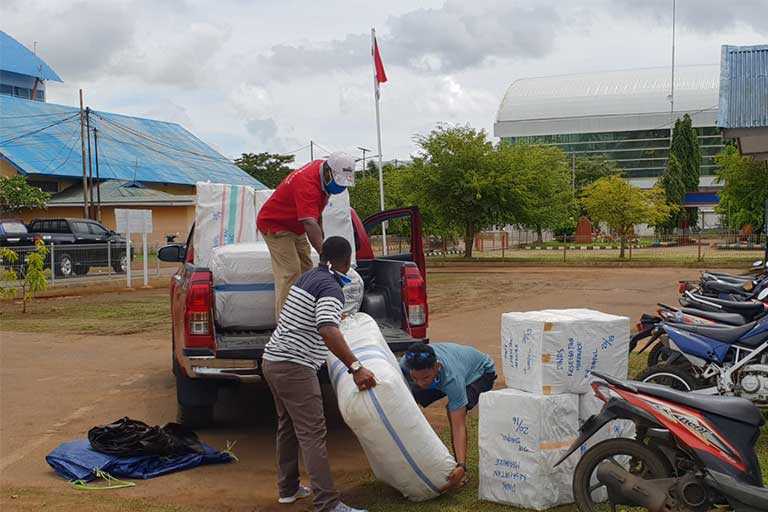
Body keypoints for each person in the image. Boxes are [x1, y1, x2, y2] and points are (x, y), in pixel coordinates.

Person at [262, 236, 375, 512]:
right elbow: (327, 329)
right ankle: (328, 503)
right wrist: (356, 367)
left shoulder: (309, 277)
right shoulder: (331, 287)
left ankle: (288, 490)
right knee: (313, 434)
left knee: (287, 427)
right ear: (347, 262)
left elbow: (318, 319)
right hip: (294, 366)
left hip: (273, 361)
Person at [257, 151, 355, 315]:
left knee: (307, 269)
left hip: (296, 225)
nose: (341, 187)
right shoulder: (307, 184)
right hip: (275, 224)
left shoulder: (322, 171)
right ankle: (286, 323)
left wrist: (324, 251)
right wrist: (326, 255)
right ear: (328, 172)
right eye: (339, 182)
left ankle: (308, 313)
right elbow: (310, 222)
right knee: (290, 272)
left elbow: (316, 216)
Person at [400, 342, 496, 490]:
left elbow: (459, 426)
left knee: (454, 412)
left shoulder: (452, 378)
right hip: (444, 374)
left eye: (425, 378)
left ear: (437, 367)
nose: (420, 383)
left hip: (480, 373)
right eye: (415, 378)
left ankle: (460, 471)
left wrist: (462, 466)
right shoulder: (405, 365)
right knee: (411, 395)